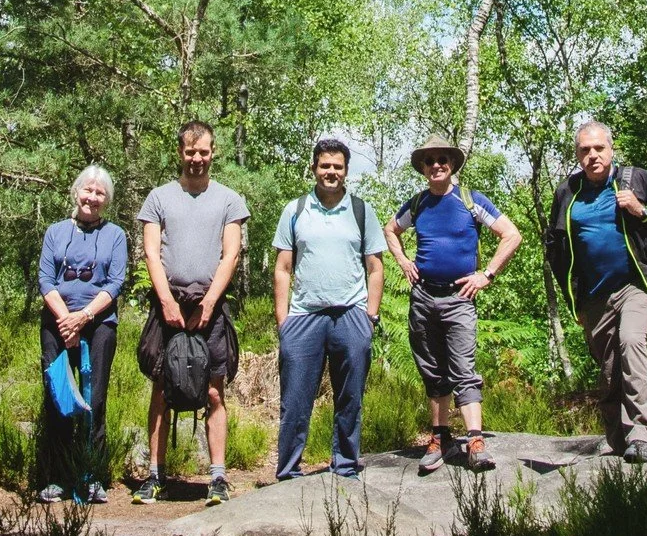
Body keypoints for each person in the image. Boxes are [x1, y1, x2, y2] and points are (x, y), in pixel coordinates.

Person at [544, 121, 647, 464]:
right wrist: (574, 300)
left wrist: (643, 211)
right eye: (584, 150)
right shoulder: (568, 191)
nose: (592, 155)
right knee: (609, 369)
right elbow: (556, 247)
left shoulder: (636, 180)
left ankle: (642, 435)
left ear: (611, 150)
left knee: (632, 341)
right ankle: (618, 439)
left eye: (598, 148)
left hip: (635, 286)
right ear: (577, 155)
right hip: (594, 296)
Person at [385, 140, 521, 476]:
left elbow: (511, 235)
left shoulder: (471, 201)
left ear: (452, 164)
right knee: (432, 367)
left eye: (441, 160)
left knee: (463, 366)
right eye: (429, 161)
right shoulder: (418, 204)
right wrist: (403, 260)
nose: (435, 166)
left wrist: (486, 274)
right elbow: (390, 229)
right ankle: (441, 437)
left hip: (460, 298)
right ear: (423, 168)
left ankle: (475, 441)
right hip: (424, 296)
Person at [132, 120, 249, 507]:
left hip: (210, 308)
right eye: (190, 152)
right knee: (162, 387)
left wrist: (210, 303)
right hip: (167, 305)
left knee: (214, 390)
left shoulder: (229, 199)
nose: (196, 159)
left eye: (203, 152)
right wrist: (165, 301)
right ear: (180, 153)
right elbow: (151, 251)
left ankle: (217, 478)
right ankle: (154, 475)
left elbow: (230, 253)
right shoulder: (159, 198)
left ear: (213, 153)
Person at [272, 137, 386, 480]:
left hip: (351, 314)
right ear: (314, 168)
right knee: (294, 401)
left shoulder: (362, 211)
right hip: (304, 316)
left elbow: (376, 268)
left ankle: (345, 466)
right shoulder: (295, 210)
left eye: (337, 167)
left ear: (346, 171)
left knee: (350, 398)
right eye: (325, 166)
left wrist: (370, 317)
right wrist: (284, 322)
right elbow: (282, 268)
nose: (331, 172)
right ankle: (288, 471)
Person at [36, 165, 128, 504]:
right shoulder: (56, 232)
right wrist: (66, 320)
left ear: (107, 200)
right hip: (56, 323)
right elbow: (46, 279)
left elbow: (116, 282)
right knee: (59, 398)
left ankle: (91, 475)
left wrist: (85, 317)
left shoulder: (116, 235)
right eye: (88, 191)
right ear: (76, 192)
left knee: (95, 400)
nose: (92, 198)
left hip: (100, 324)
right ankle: (56, 478)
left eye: (100, 193)